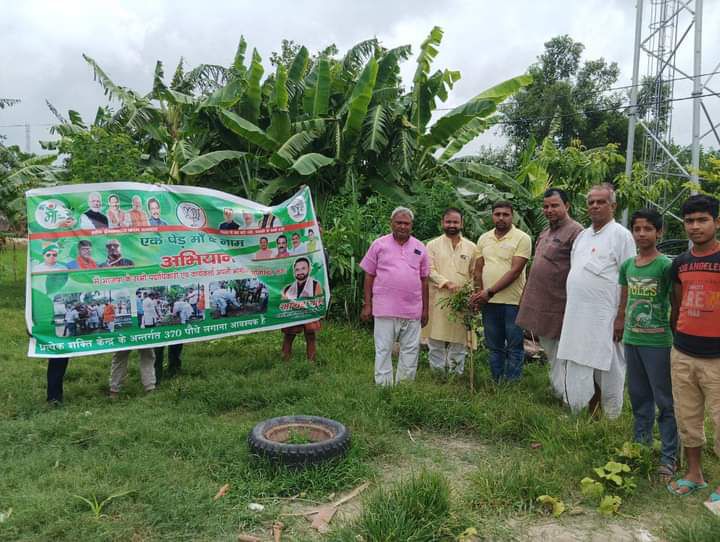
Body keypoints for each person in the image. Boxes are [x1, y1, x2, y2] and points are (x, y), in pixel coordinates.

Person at [556, 183, 635, 418]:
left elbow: (629, 278)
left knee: (609, 366)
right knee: (578, 360)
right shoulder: (582, 236)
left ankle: (610, 416)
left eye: (601, 202)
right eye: (591, 202)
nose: (595, 206)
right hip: (578, 316)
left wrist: (621, 316)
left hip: (607, 317)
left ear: (613, 206)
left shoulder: (621, 235)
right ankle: (578, 410)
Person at [666, 195, 720, 504]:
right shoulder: (681, 263)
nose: (695, 226)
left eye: (702, 220)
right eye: (689, 221)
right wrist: (678, 337)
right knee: (688, 418)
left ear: (717, 222)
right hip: (684, 352)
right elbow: (677, 303)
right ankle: (694, 474)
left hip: (717, 357)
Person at [616, 208, 677, 482]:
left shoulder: (665, 266)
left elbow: (676, 303)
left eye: (648, 229)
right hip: (633, 339)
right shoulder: (628, 265)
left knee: (665, 401)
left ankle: (668, 456)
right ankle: (640, 447)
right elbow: (624, 300)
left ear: (659, 232)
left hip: (658, 342)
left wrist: (675, 336)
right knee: (639, 398)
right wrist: (619, 324)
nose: (642, 234)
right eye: (637, 229)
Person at [516, 188, 583, 395]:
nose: (549, 210)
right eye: (545, 206)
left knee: (561, 353)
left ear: (567, 206)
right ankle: (559, 388)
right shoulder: (545, 233)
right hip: (539, 304)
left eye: (555, 205)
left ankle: (568, 396)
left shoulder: (576, 232)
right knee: (551, 350)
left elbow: (579, 271)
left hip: (560, 306)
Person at [360, 207, 429, 386]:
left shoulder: (420, 247)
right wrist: (368, 305)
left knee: (411, 349)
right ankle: (384, 385)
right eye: (399, 222)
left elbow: (424, 279)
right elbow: (368, 275)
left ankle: (404, 386)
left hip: (412, 309)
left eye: (406, 223)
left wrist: (425, 309)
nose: (402, 226)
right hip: (384, 308)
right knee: (383, 349)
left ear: (411, 225)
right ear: (391, 223)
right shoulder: (379, 244)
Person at [470, 201, 532, 382]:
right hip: (488, 303)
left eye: (505, 214)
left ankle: (511, 384)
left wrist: (488, 292)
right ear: (492, 216)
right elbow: (478, 270)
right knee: (494, 346)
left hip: (513, 302)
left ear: (512, 216)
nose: (501, 218)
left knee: (514, 346)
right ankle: (497, 381)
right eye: (497, 214)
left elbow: (515, 271)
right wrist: (478, 295)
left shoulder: (522, 238)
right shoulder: (484, 239)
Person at [422, 208, 476, 374]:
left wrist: (469, 293)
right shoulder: (432, 245)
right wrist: (446, 283)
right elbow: (428, 270)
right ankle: (437, 372)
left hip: (461, 301)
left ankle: (455, 373)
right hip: (438, 299)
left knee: (459, 340)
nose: (452, 225)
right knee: (436, 339)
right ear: (442, 223)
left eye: (455, 222)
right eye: (448, 222)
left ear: (462, 224)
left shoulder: (471, 247)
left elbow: (475, 274)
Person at [281, 258, 324, 362]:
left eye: (303, 268)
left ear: (309, 269)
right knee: (289, 336)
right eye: (297, 269)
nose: (300, 272)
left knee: (310, 336)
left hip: (309, 314)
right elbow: (282, 305)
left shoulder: (315, 285)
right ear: (294, 272)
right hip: (293, 314)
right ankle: (285, 360)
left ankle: (311, 362)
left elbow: (320, 302)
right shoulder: (288, 288)